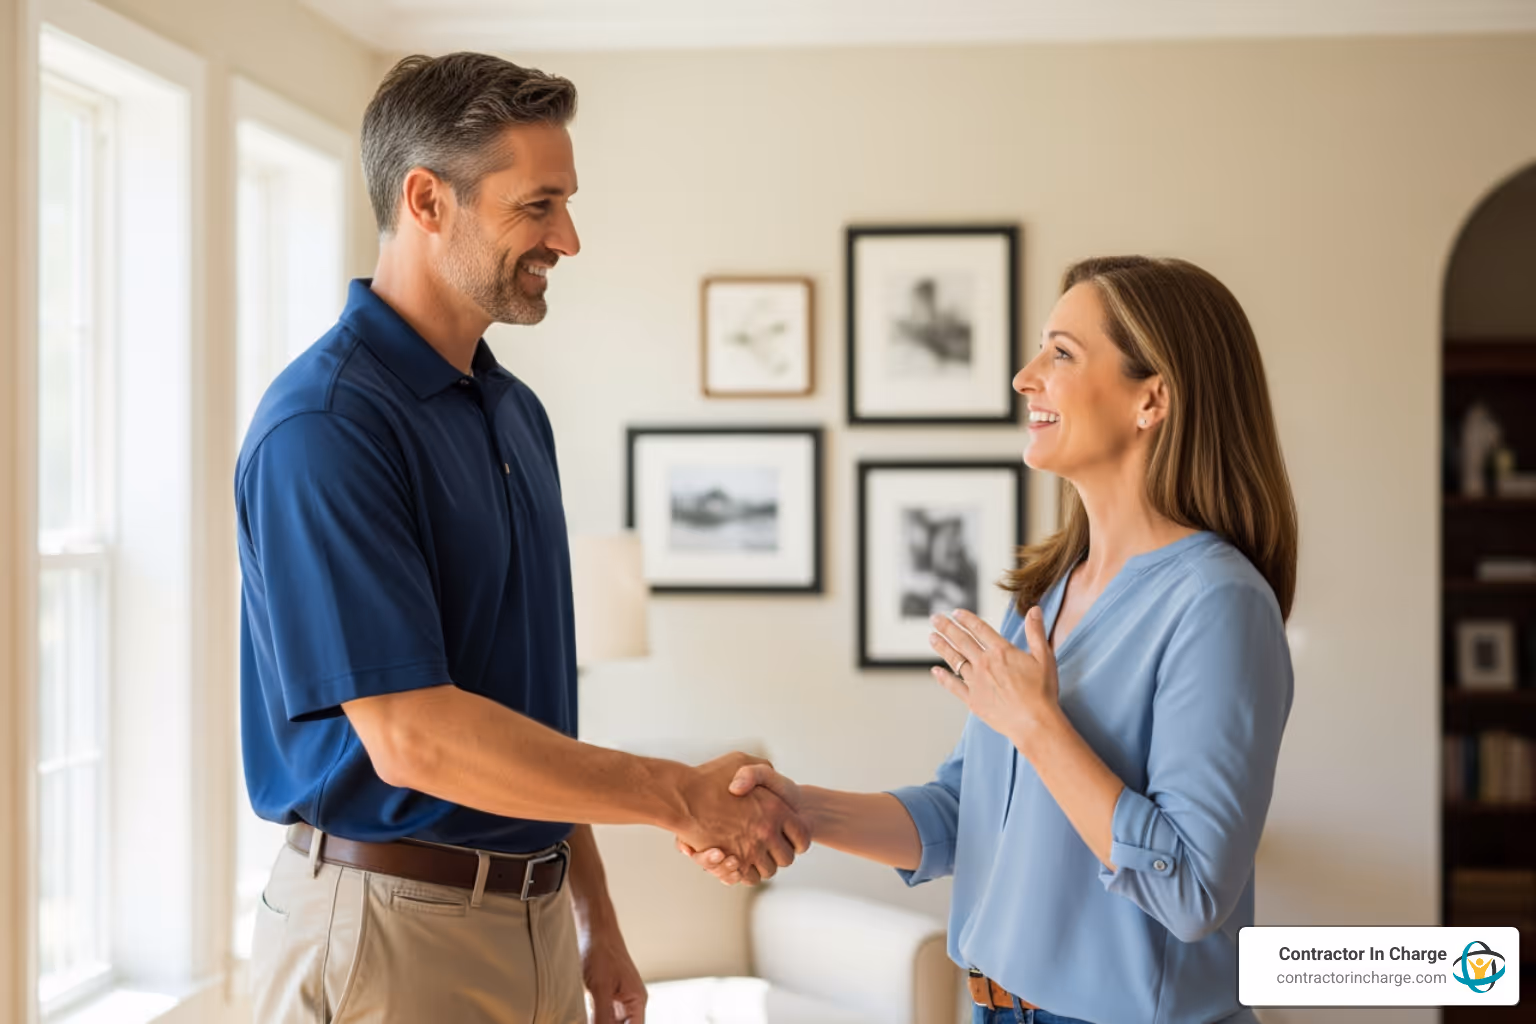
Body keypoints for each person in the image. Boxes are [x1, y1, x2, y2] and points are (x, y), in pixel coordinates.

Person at [236, 53, 807, 1024]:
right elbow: (414, 737)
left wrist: (593, 915)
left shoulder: (513, 413)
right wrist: (680, 797)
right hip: (391, 931)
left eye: (567, 203)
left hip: (533, 919)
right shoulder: (327, 425)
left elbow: (527, 712)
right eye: (538, 205)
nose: (569, 238)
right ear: (427, 200)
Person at [684, 256, 1298, 1024]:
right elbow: (961, 814)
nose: (1024, 376)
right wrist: (799, 810)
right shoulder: (1050, 590)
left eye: (1062, 353)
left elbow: (1193, 889)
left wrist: (1038, 725)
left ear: (1152, 399)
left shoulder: (1218, 603)